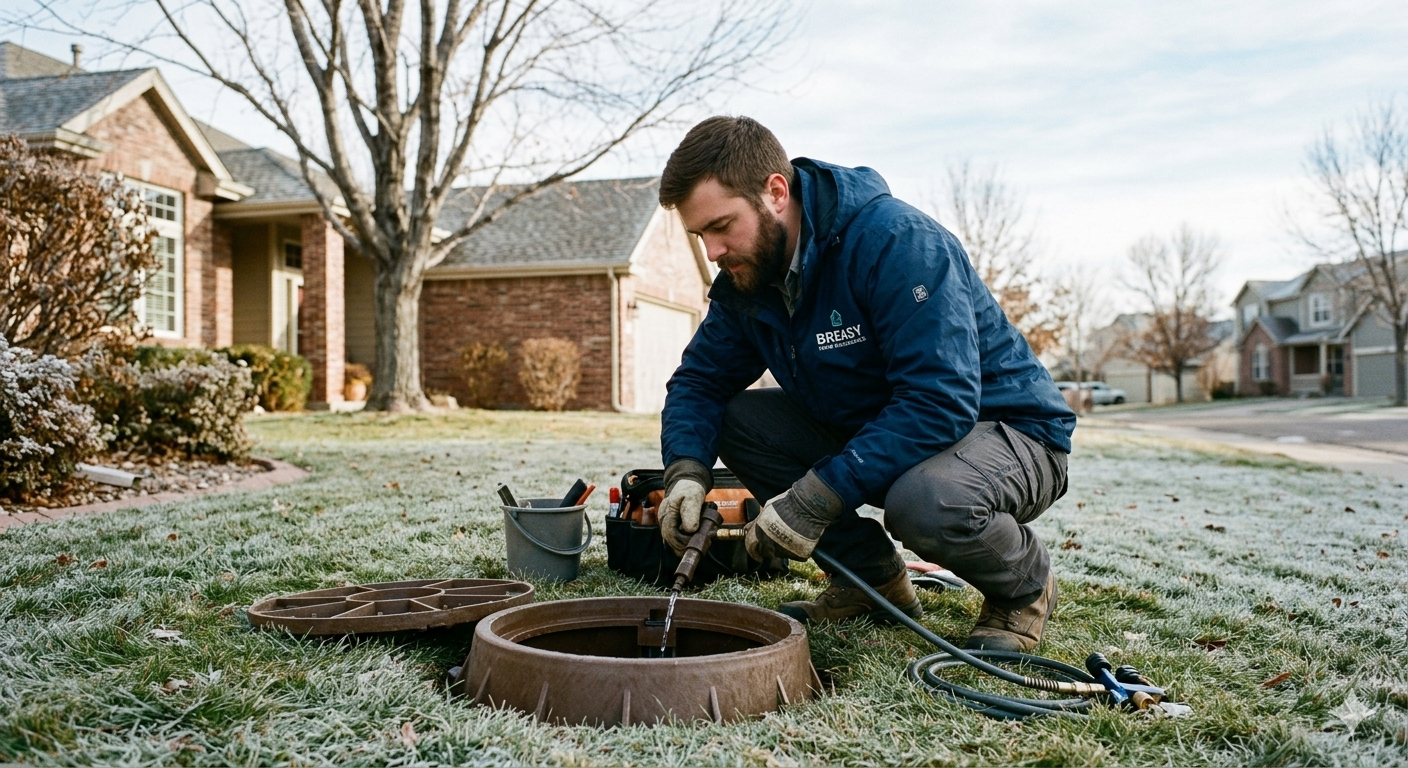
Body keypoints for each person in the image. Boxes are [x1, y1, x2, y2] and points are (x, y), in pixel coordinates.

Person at [653, 116, 1075, 652]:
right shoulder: (752, 276)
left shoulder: (897, 242)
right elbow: (699, 383)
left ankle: (1024, 589)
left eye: (721, 226)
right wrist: (686, 471)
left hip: (1010, 433)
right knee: (738, 420)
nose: (712, 251)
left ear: (775, 193)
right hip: (887, 434)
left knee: (925, 500)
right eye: (700, 235)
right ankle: (872, 584)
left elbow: (939, 401)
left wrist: (812, 498)